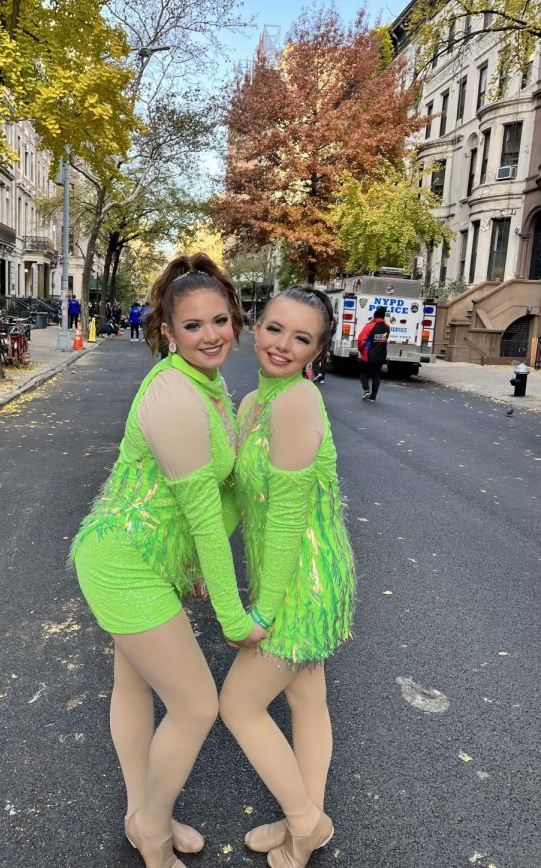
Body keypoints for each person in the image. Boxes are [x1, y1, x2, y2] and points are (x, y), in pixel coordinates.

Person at [70, 253, 266, 868]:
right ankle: (152, 832)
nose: (210, 335)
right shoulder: (175, 398)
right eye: (193, 326)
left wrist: (193, 572)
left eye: (220, 321)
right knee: (196, 705)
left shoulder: (210, 385)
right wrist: (233, 616)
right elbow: (206, 518)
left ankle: (140, 815)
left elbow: (223, 494)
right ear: (167, 331)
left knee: (133, 684)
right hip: (122, 561)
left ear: (235, 320)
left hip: (152, 557)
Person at [219, 286, 356, 868]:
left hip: (303, 578)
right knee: (307, 699)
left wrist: (263, 611)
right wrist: (200, 563)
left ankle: (307, 823)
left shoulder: (297, 404)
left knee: (238, 707)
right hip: (290, 571)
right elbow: (238, 497)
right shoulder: (253, 402)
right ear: (256, 326)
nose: (283, 345)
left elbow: (287, 521)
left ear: (317, 350)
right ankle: (303, 821)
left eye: (301, 338)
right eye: (275, 328)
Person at [357, 305, 390, 402]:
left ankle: (367, 390)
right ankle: (373, 397)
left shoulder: (369, 327)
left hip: (368, 355)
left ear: (374, 317)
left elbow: (361, 341)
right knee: (376, 375)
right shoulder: (387, 327)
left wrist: (361, 351)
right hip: (381, 355)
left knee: (363, 373)